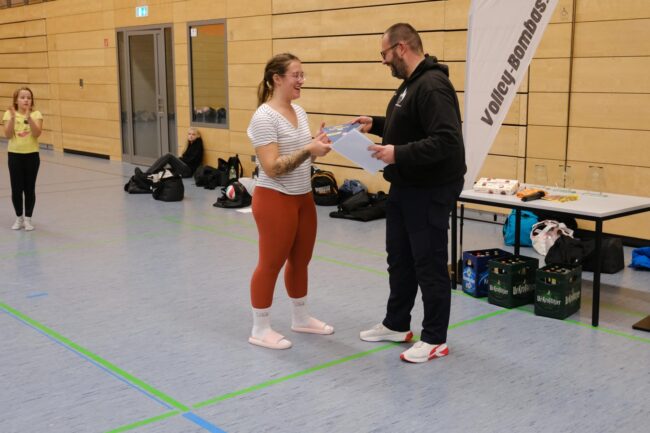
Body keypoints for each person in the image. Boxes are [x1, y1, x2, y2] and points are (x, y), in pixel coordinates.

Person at [355, 23, 466, 363]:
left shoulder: (432, 85)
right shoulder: (410, 85)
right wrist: (376, 124)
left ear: (401, 48)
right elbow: (410, 126)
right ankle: (396, 324)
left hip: (430, 189)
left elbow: (446, 140)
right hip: (406, 186)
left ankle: (435, 338)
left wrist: (397, 153)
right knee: (400, 259)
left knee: (428, 262)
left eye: (385, 54)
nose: (383, 61)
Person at [246, 53, 334, 350]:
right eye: (296, 75)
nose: (301, 80)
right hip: (275, 199)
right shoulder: (264, 118)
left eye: (302, 75)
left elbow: (302, 154)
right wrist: (309, 149)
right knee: (270, 264)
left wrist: (316, 146)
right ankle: (260, 328)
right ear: (277, 79)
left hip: (302, 197)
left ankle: (301, 318)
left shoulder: (299, 111)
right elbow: (272, 167)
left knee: (301, 261)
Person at [3, 87, 43, 231]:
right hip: (15, 155)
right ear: (16, 100)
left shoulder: (36, 114)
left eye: (29, 97)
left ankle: (28, 219)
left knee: (29, 188)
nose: (26, 100)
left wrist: (28, 118)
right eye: (22, 97)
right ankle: (19, 217)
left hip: (32, 156)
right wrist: (13, 118)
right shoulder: (8, 114)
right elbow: (8, 135)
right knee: (16, 189)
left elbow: (37, 133)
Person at [138, 127, 203, 178]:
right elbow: (186, 158)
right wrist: (178, 160)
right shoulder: (190, 144)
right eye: (189, 134)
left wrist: (178, 159)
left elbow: (190, 160)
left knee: (169, 156)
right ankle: (147, 175)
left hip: (187, 171)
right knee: (163, 171)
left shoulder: (197, 145)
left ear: (197, 136)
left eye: (193, 134)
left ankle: (146, 174)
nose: (191, 136)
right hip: (185, 168)